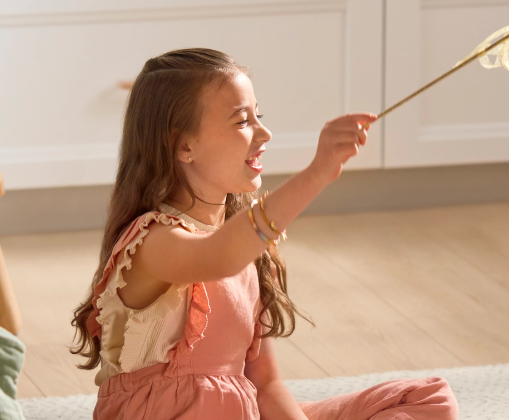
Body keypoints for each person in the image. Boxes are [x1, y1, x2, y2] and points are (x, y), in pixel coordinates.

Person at [69, 48, 458, 420]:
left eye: (259, 116)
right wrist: (317, 172)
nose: (264, 133)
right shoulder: (155, 242)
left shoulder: (248, 250)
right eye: (242, 121)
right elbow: (220, 256)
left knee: (427, 399)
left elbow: (266, 386)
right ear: (183, 145)